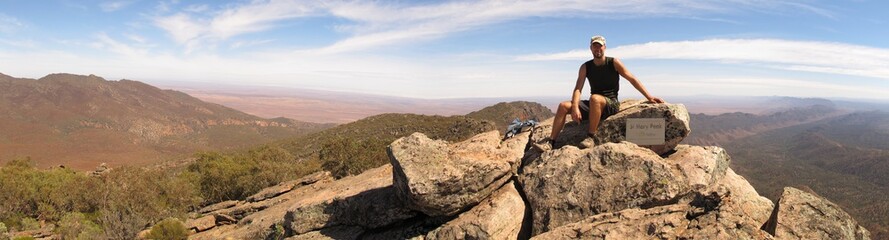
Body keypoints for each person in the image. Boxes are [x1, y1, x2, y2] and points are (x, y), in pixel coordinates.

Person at [542, 35, 664, 149]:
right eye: (594, 46)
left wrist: (649, 97)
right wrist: (575, 107)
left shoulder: (613, 62)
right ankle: (550, 142)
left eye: (600, 46)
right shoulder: (586, 67)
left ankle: (590, 137)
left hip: (611, 104)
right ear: (590, 48)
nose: (597, 49)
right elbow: (578, 88)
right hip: (594, 104)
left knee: (594, 98)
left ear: (604, 47)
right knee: (563, 106)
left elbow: (632, 79)